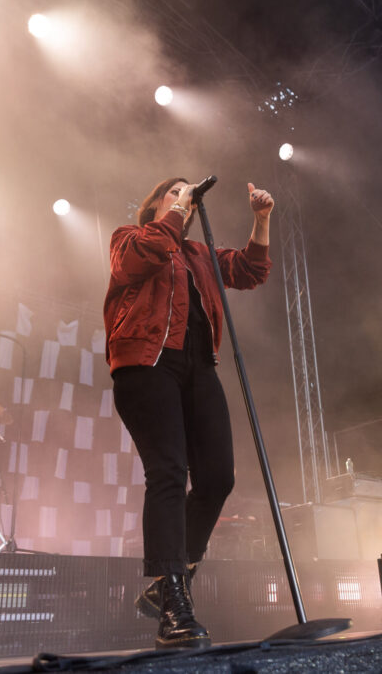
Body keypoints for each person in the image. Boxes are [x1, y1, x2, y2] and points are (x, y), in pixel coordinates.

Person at [104, 177, 273, 649]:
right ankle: (174, 599)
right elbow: (142, 256)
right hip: (145, 364)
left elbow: (249, 271)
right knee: (169, 473)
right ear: (157, 202)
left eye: (189, 196)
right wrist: (177, 210)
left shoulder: (199, 254)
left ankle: (166, 585)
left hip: (199, 368)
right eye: (176, 192)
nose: (187, 200)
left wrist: (261, 221)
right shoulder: (130, 238)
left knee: (218, 478)